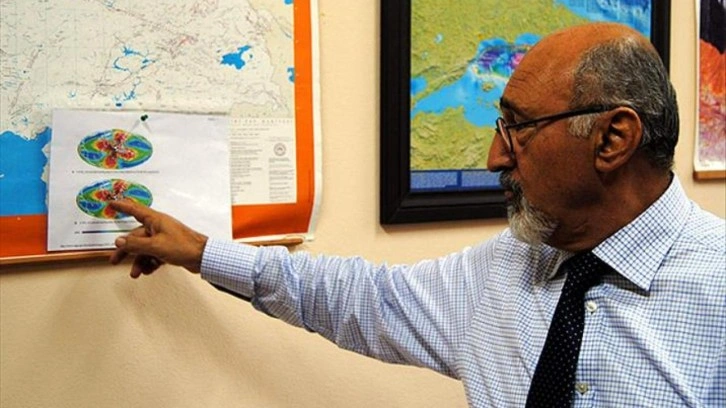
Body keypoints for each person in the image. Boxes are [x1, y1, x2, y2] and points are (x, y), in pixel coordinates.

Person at [110, 22, 725, 407]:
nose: (495, 158)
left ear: (613, 139)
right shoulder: (505, 271)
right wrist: (203, 252)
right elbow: (359, 297)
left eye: (518, 129)